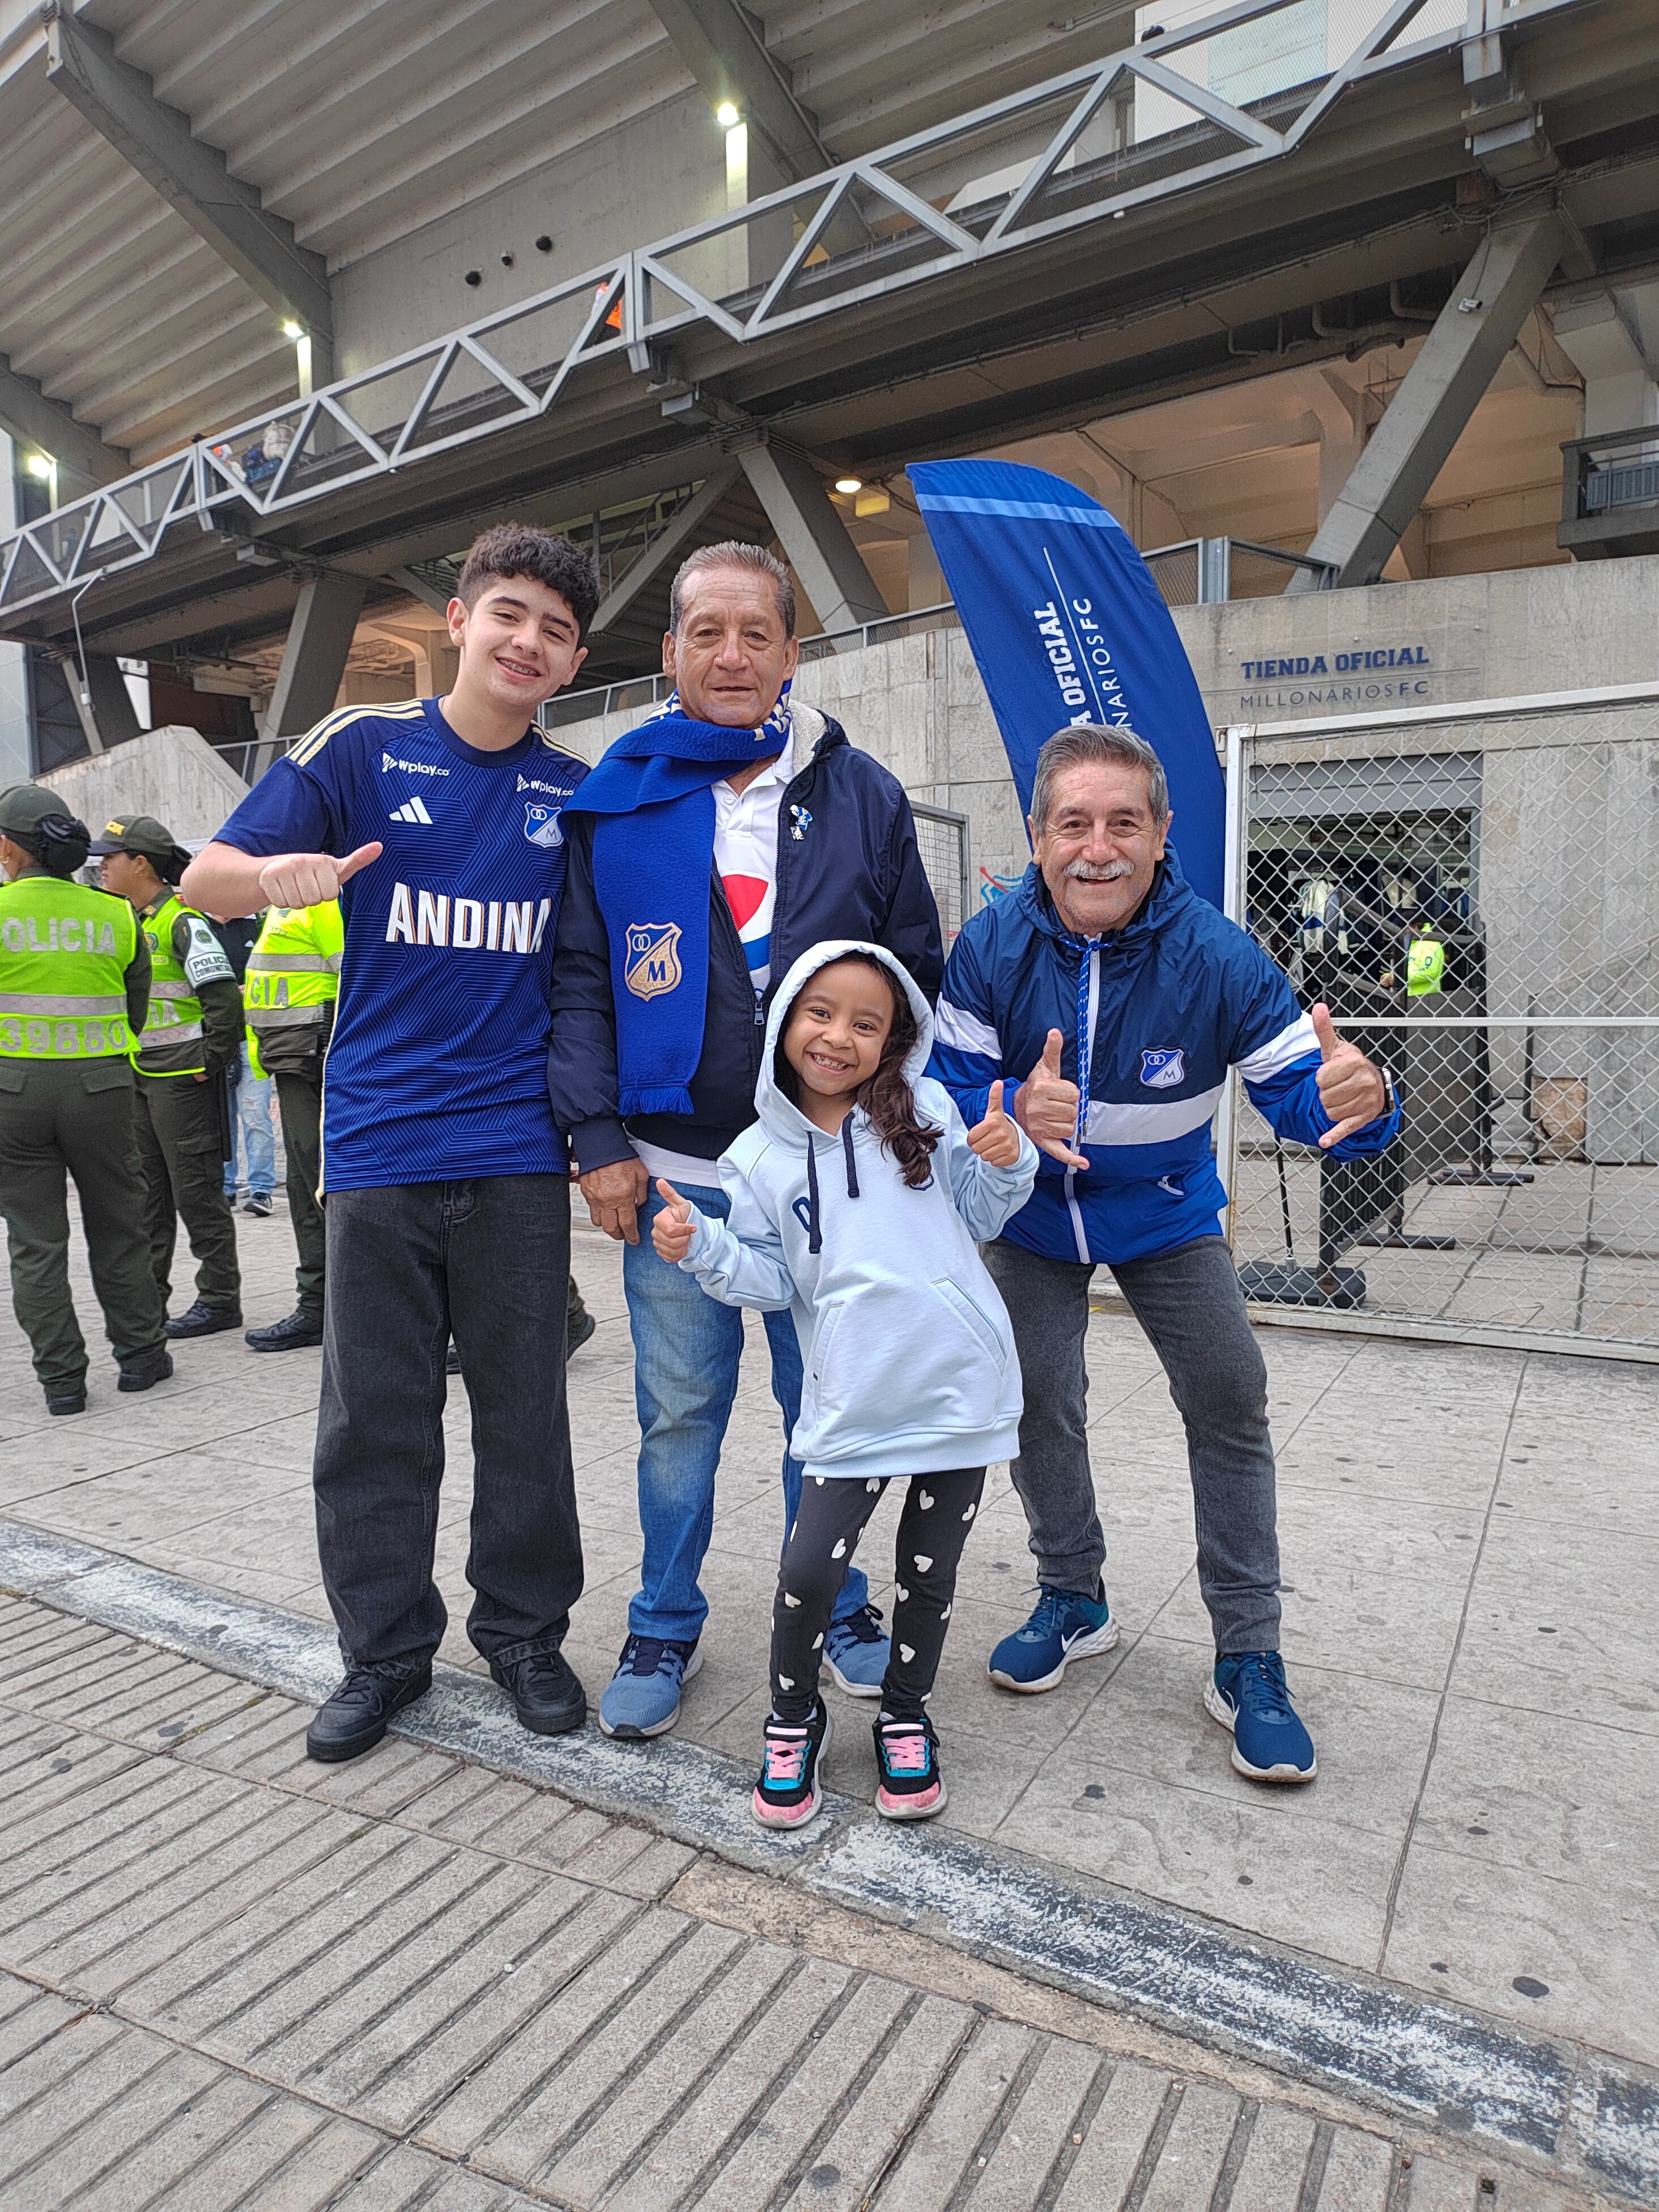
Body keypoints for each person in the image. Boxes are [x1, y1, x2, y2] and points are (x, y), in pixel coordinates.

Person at [182, 523, 597, 1763]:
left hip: (518, 1153)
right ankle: (384, 1652)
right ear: (461, 619)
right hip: (378, 1147)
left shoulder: (573, 794)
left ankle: (523, 1633)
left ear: (573, 661)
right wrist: (278, 882)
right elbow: (203, 873)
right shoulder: (360, 750)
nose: (529, 640)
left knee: (526, 1412)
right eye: (510, 612)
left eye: (558, 630)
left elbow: (587, 982)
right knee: (375, 1415)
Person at [929, 724, 1399, 1784]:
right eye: (1073, 823)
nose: (1097, 848)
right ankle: (1072, 1593)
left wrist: (1357, 1101)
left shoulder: (1216, 952)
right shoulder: (989, 946)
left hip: (1168, 1213)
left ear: (1160, 833)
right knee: (1034, 1391)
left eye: (1122, 823)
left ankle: (1247, 1653)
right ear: (1039, 834)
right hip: (1033, 1217)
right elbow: (937, 1091)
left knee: (1230, 1392)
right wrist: (1005, 1104)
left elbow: (1299, 1086)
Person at [549, 541, 944, 1741]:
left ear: (791, 651)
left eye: (755, 633)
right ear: (668, 649)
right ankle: (665, 1614)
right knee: (679, 1415)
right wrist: (597, 1133)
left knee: (829, 1409)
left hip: (822, 1178)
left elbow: (912, 968)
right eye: (704, 632)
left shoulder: (858, 790)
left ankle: (832, 1601)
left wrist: (884, 1126)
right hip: (674, 1185)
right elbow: (577, 981)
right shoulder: (619, 788)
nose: (730, 654)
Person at [653, 941, 1037, 1827]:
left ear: (896, 1037)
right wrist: (704, 1250)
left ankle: (906, 1714)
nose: (838, 1036)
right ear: (785, 1020)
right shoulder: (754, 1158)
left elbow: (980, 1213)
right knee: (806, 1571)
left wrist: (1008, 1159)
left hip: (955, 1391)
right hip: (852, 1400)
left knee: (928, 1576)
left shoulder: (928, 1108)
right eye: (819, 1012)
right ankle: (794, 1719)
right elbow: (771, 1281)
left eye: (867, 1023)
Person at [0, 785, 172, 1414]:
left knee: (35, 1240)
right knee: (120, 1225)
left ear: (9, 848)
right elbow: (136, 1010)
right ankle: (142, 1357)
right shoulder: (117, 913)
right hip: (102, 1088)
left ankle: (63, 1382)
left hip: (12, 1091)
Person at [91, 815, 245, 1341]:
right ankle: (149, 1300)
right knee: (147, 1198)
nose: (102, 865)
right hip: (141, 1078)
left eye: (111, 856)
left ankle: (220, 1299)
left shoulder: (182, 922)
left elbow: (222, 997)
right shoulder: (129, 923)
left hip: (182, 1080)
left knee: (196, 1193)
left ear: (141, 863)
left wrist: (208, 1063)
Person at [240, 896, 341, 1351]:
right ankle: (317, 1306)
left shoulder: (323, 903)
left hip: (316, 1060)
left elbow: (358, 980)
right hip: (291, 1061)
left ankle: (341, 1306)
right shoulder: (282, 908)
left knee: (325, 1185)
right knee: (303, 1186)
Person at [207, 912, 278, 1218]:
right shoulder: (200, 928)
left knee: (256, 1117)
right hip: (213, 1039)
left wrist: (247, 990)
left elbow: (274, 974)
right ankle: (225, 1189)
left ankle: (261, 1189)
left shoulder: (257, 928)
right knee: (221, 1121)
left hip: (251, 1040)